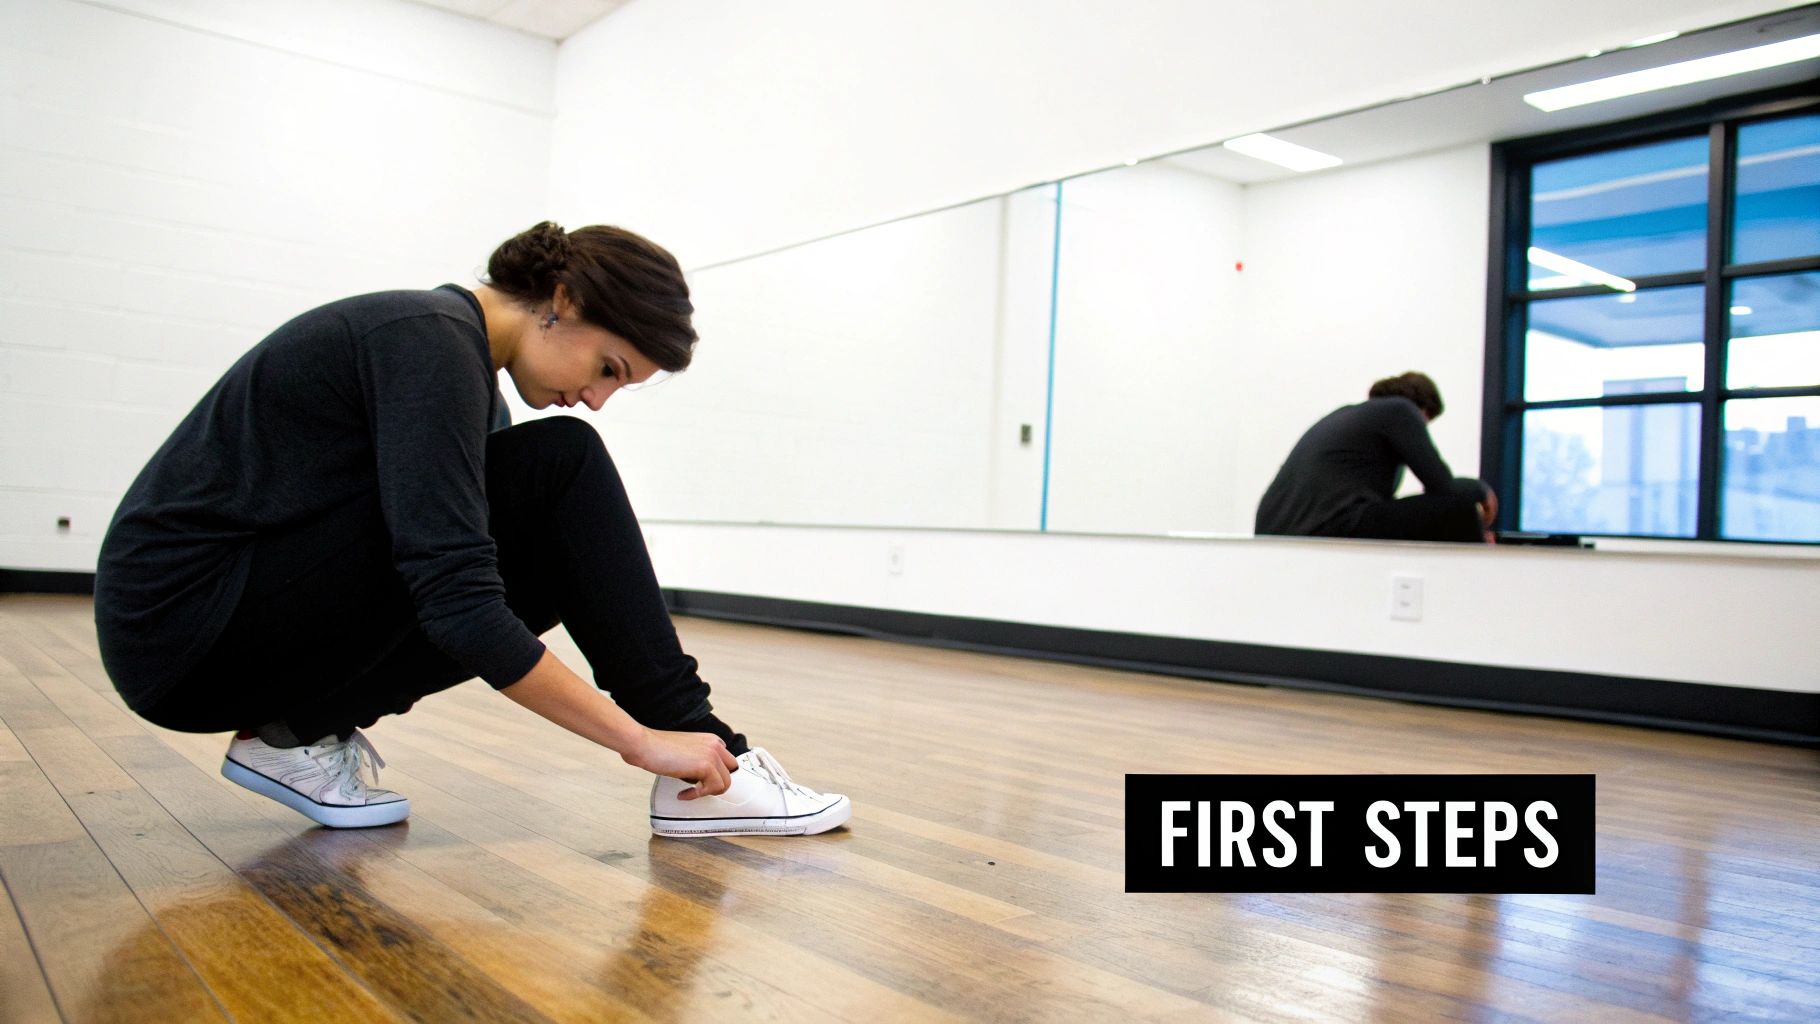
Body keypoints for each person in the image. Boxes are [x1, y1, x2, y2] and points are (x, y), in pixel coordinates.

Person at [93, 221, 850, 836]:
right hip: (183, 624)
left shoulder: (466, 378)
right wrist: (638, 738)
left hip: (217, 637)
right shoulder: (424, 339)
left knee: (537, 519)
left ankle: (295, 735)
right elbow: (456, 602)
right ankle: (704, 758)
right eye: (609, 368)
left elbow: (456, 594)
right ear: (561, 299)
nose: (596, 397)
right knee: (562, 463)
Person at [1254, 372, 1496, 543]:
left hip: (1276, 529)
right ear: (1423, 410)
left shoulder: (1351, 416)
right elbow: (1442, 486)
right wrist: (1481, 491)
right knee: (1460, 509)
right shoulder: (1399, 410)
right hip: (1327, 526)